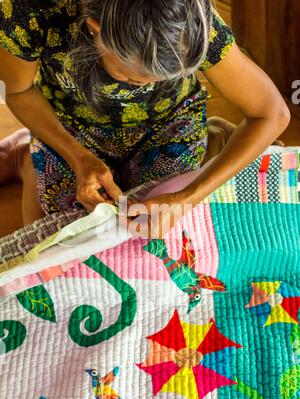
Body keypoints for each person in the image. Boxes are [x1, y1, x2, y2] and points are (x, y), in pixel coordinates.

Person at [0, 0, 290, 237]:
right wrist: (77, 157)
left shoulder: (187, 19)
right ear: (94, 30)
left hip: (168, 122)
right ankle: (28, 155)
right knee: (71, 234)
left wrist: (187, 197)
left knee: (153, 230)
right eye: (131, 77)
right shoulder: (30, 12)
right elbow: (19, 91)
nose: (145, 84)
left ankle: (211, 135)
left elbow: (271, 113)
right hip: (70, 123)